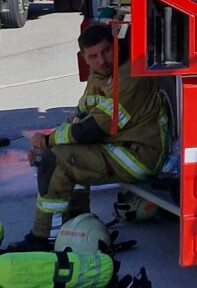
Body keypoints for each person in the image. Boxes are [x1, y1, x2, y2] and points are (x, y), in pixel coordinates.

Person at [10, 20, 169, 250]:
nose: (102, 60)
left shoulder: (128, 76)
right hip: (119, 146)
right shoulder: (100, 75)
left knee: (58, 159)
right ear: (83, 58)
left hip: (139, 155)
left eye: (106, 51)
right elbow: (81, 116)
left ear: (116, 46)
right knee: (62, 154)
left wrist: (47, 141)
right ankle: (75, 227)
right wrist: (50, 138)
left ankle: (42, 239)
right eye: (93, 56)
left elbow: (95, 128)